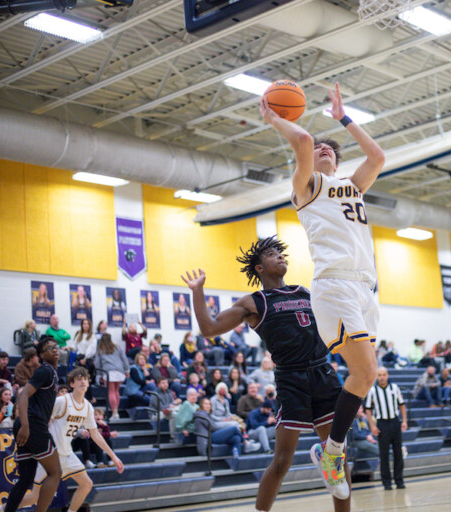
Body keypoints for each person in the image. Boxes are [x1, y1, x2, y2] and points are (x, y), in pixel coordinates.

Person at [261, 82, 385, 501]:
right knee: (365, 372)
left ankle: (331, 450)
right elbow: (302, 139)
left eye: (331, 149)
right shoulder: (307, 187)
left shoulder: (352, 185)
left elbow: (378, 156)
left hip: (366, 287)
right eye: (319, 149)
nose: (324, 149)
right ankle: (332, 453)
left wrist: (344, 118)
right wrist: (274, 116)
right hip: (334, 284)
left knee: (365, 377)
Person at [182, 234, 347, 511]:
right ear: (259, 268)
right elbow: (209, 329)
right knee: (282, 461)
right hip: (291, 379)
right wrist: (198, 292)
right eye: (272, 255)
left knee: (337, 457)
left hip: (322, 373)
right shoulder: (253, 303)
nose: (280, 256)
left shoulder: (305, 292)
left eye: (281, 254)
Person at [0, 368, 124, 512]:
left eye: (85, 379)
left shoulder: (87, 406)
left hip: (67, 453)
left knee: (87, 484)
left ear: (88, 383)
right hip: (50, 454)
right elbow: (41, 418)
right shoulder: (61, 401)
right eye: (79, 379)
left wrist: (113, 456)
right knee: (33, 498)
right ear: (71, 383)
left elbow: (95, 434)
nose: (83, 382)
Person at [2, 336, 61, 512]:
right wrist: (26, 426)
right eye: (50, 348)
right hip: (32, 425)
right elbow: (22, 395)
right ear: (42, 354)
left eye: (56, 346)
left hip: (28, 424)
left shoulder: (51, 372)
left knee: (26, 479)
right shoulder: (45, 371)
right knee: (55, 472)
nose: (55, 349)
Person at [364, 366, 407, 490]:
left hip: (395, 422)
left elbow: (402, 405)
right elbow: (368, 409)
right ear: (376, 377)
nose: (382, 377)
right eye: (379, 375)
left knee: (398, 453)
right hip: (382, 424)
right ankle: (386, 482)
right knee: (384, 455)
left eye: (384, 374)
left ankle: (399, 480)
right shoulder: (372, 390)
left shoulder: (395, 388)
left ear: (387, 375)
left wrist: (404, 421)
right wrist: (372, 425)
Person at [93, 333, 129, 420]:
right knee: (116, 391)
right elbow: (124, 358)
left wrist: (99, 374)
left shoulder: (100, 349)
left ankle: (115, 413)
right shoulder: (117, 347)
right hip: (119, 371)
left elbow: (97, 363)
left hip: (108, 371)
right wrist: (127, 370)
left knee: (111, 392)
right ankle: (116, 412)